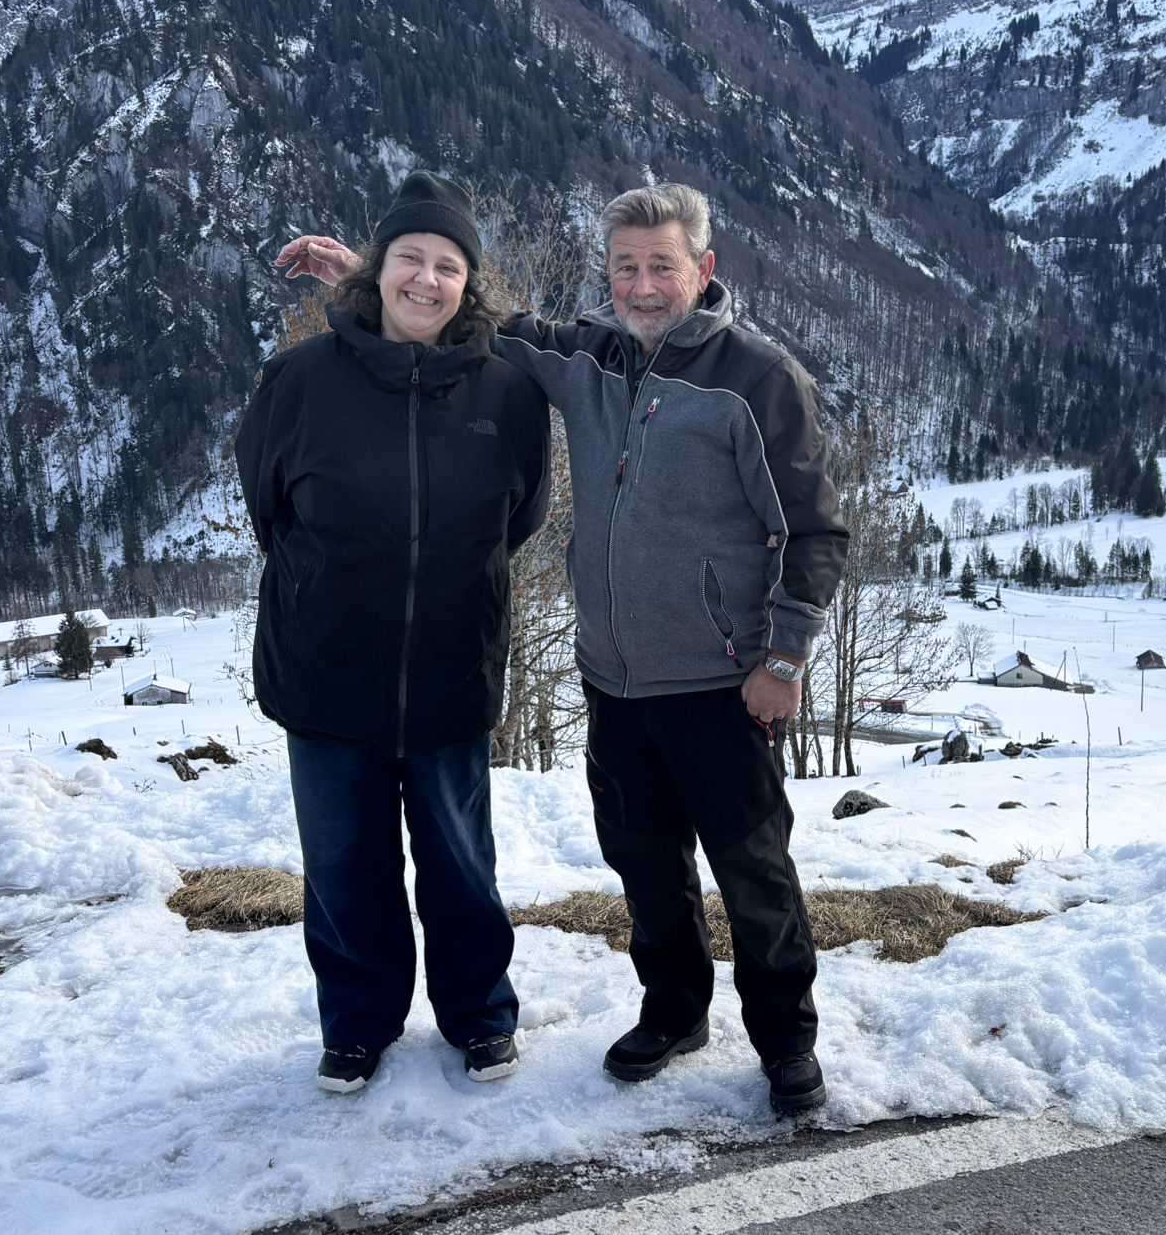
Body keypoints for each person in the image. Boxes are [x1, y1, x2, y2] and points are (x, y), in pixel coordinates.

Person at [275, 182, 848, 1112]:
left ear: (704, 268)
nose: (643, 285)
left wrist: (784, 659)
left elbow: (815, 531)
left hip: (723, 683)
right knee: (646, 867)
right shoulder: (585, 355)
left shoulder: (757, 377)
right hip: (615, 682)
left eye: (662, 265)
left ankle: (786, 1039)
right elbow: (460, 318)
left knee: (754, 870)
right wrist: (364, 275)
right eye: (626, 266)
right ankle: (675, 1010)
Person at [242, 172, 549, 1094]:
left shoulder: (508, 390)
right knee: (344, 865)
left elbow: (521, 514)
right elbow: (269, 505)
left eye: (447, 265)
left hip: (452, 668)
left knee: (461, 863)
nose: (426, 278)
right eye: (410, 257)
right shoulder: (300, 380)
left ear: (469, 284)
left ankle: (479, 1014)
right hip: (328, 673)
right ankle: (358, 1021)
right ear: (376, 269)